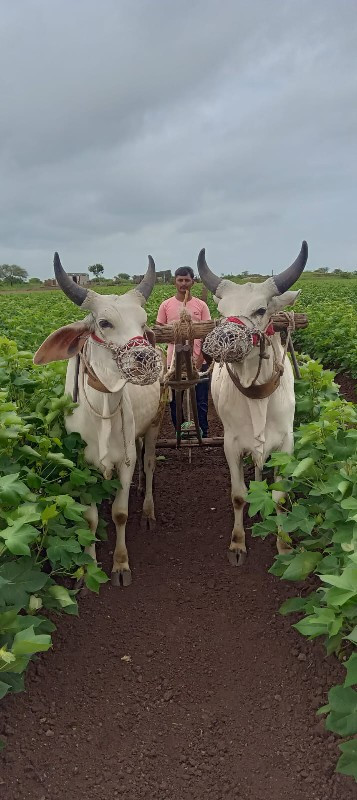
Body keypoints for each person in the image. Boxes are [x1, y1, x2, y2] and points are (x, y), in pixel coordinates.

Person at [156, 266, 211, 438]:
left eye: (187, 280)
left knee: (200, 400)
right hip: (173, 361)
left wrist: (200, 358)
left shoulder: (201, 306)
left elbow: (206, 334)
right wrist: (173, 334)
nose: (184, 284)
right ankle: (179, 430)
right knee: (175, 401)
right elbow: (159, 331)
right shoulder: (166, 305)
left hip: (197, 359)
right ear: (175, 282)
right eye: (180, 280)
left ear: (193, 282)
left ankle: (203, 431)